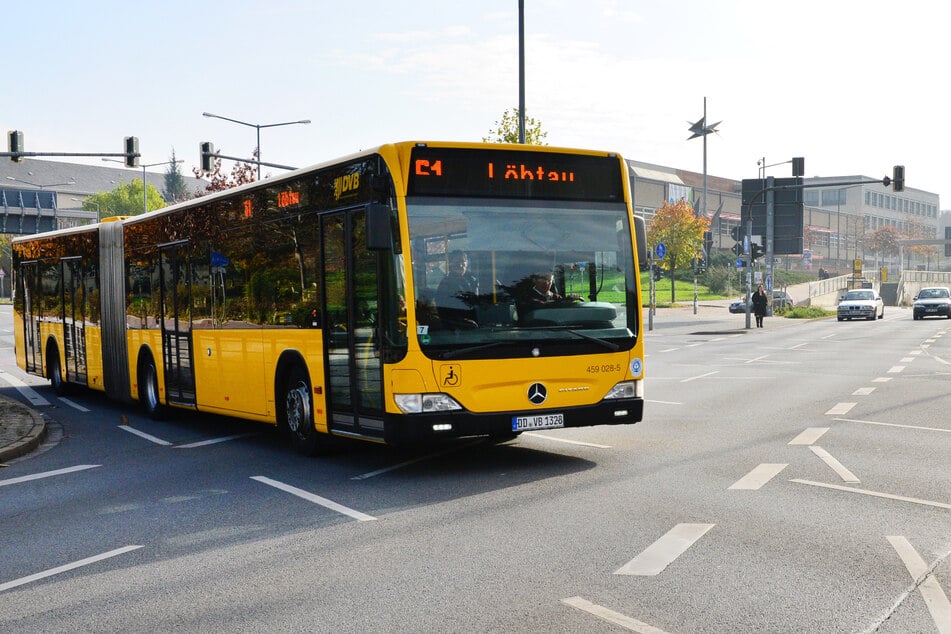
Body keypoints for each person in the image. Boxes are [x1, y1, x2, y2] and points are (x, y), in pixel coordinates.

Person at [435, 250, 479, 328]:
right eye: (457, 262)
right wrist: (463, 322)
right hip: (457, 331)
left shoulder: (472, 281)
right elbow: (444, 313)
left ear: (467, 263)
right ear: (450, 265)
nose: (460, 265)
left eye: (463, 261)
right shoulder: (446, 284)